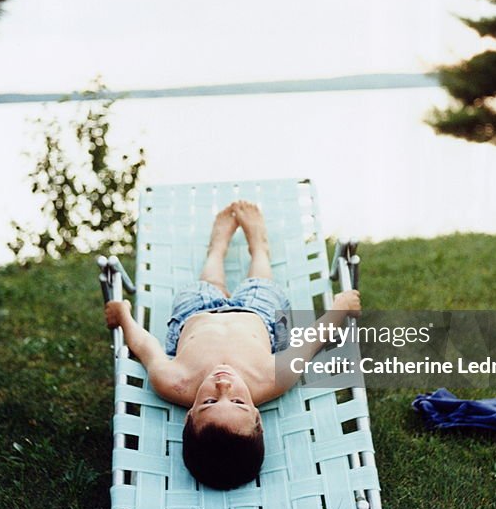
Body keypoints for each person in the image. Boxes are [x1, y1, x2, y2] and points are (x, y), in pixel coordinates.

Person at [105, 200, 360, 490]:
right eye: (238, 402)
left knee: (210, 277)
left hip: (195, 314)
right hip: (257, 316)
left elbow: (145, 346)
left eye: (209, 402)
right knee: (261, 279)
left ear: (189, 416)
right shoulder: (272, 379)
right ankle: (259, 248)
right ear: (257, 418)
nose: (223, 387)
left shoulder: (173, 382)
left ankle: (217, 249)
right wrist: (340, 307)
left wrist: (123, 315)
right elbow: (312, 342)